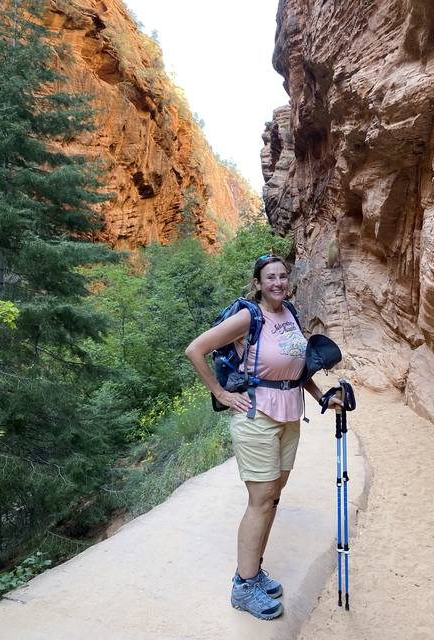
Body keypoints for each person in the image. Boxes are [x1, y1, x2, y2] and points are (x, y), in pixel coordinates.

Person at [185, 254, 342, 620]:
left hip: (289, 415)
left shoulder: (289, 314)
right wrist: (222, 395)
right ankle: (244, 585)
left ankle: (254, 571)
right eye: (270, 277)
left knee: (273, 497)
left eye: (283, 276)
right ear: (257, 283)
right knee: (260, 499)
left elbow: (297, 367)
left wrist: (323, 398)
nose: (278, 282)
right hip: (256, 416)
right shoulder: (247, 317)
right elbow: (195, 350)